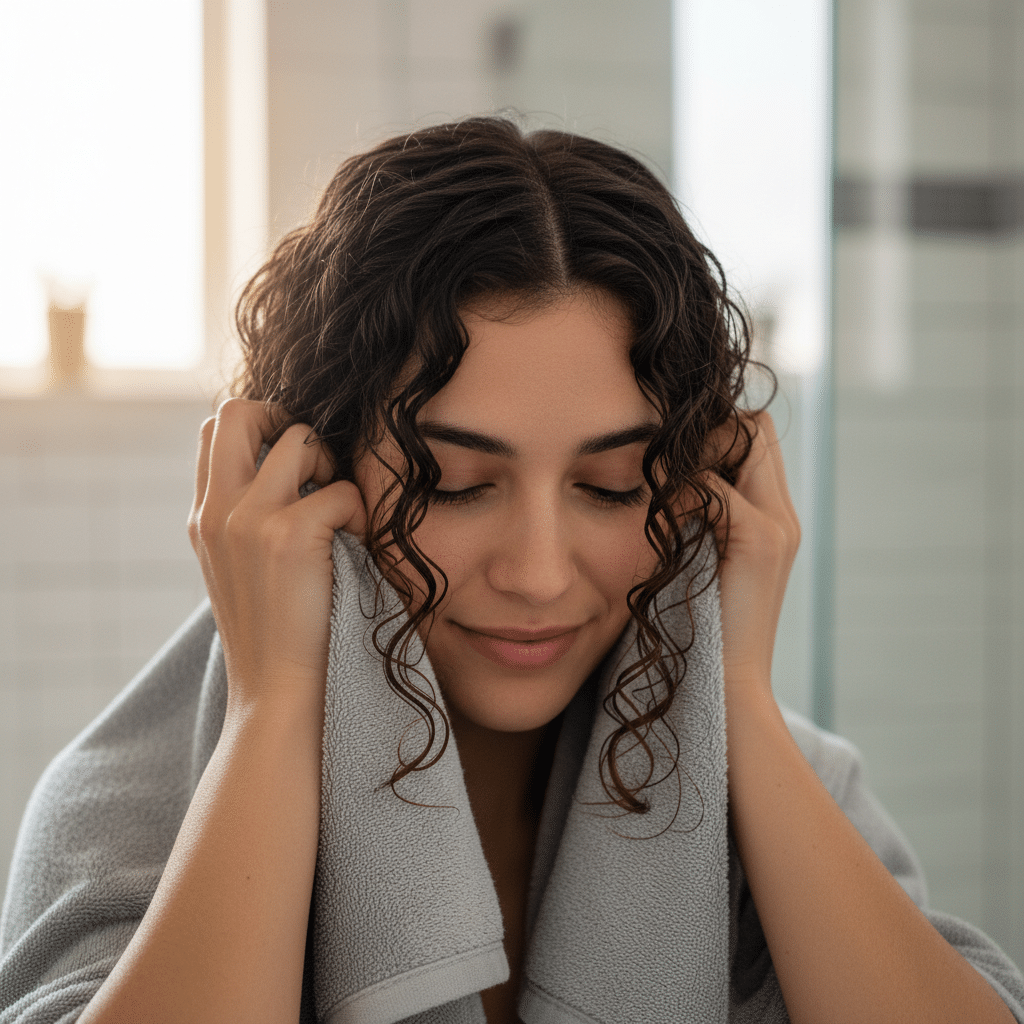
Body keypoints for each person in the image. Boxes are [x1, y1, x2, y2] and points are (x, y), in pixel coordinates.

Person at [2, 116, 1022, 1024]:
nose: (538, 574)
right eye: (452, 483)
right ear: (304, 471)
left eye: (613, 484)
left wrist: (738, 699)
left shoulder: (792, 784)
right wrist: (273, 711)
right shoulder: (129, 805)